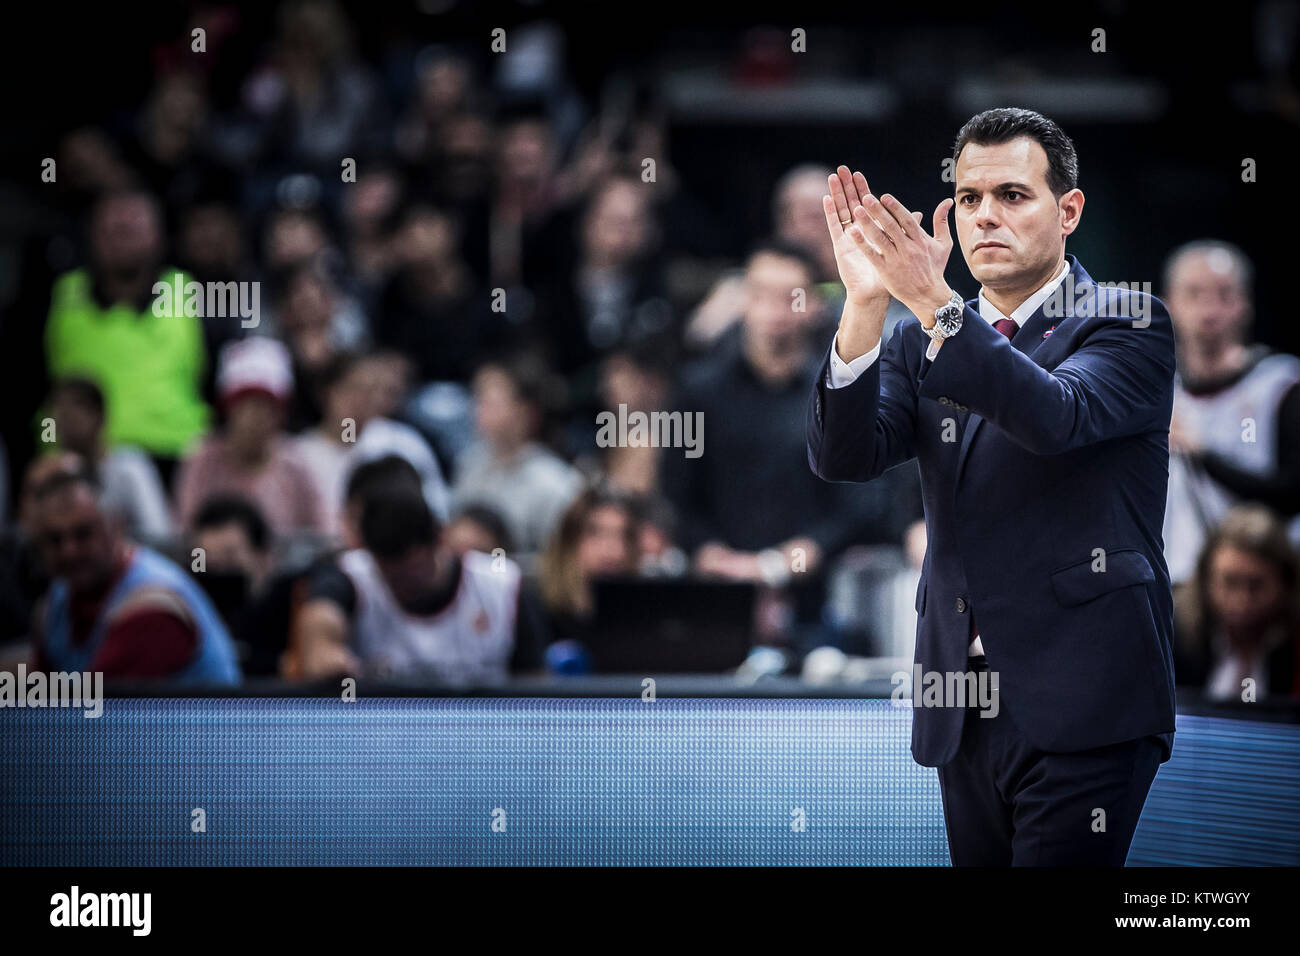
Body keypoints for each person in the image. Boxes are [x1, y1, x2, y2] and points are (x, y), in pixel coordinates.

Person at [807, 107, 1176, 865]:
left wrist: (935, 306)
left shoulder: (1126, 320)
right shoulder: (920, 336)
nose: (985, 217)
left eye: (1012, 195)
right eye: (969, 199)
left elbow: (1055, 417)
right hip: (960, 695)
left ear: (1068, 210)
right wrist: (867, 305)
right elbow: (844, 458)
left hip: (1088, 692)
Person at [289, 486, 546, 683]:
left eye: (410, 573)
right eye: (389, 578)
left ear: (440, 540)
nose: (400, 587)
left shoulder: (502, 586)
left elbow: (535, 690)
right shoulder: (350, 576)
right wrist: (325, 652)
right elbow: (321, 622)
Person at [44, 189, 211, 479]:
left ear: (157, 236)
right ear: (91, 237)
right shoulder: (61, 295)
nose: (122, 238)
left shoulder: (192, 292)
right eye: (112, 230)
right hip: (78, 460)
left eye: (132, 229)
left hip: (174, 459)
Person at [1162, 240, 1300, 583]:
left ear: (1246, 304)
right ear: (1170, 304)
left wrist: (1203, 454)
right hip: (1184, 582)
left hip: (1269, 580)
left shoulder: (1282, 384)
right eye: (1194, 294)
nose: (1210, 310)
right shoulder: (1160, 395)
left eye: (1225, 295)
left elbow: (1292, 494)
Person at [28, 468, 240, 683]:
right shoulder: (57, 600)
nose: (69, 551)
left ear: (115, 528)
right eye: (54, 539)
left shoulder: (154, 608)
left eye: (83, 534)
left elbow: (89, 708)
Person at [174, 337, 329, 538]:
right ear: (228, 410)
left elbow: (321, 536)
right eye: (245, 407)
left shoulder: (298, 466)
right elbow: (186, 531)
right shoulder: (200, 459)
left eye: (266, 408)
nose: (255, 419)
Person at [451, 357, 583, 556]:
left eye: (491, 402)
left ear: (525, 412)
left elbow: (564, 558)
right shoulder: (468, 464)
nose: (478, 410)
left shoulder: (555, 481)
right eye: (477, 399)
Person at [1174, 504, 1300, 701]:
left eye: (1256, 585)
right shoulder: (1173, 636)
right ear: (1206, 579)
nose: (1242, 601)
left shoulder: (1293, 647)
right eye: (1230, 582)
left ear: (1285, 583)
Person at [47, 376, 174, 546]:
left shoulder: (131, 466)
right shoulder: (55, 472)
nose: (63, 428)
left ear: (99, 416)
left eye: (69, 417)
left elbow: (159, 534)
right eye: (58, 418)